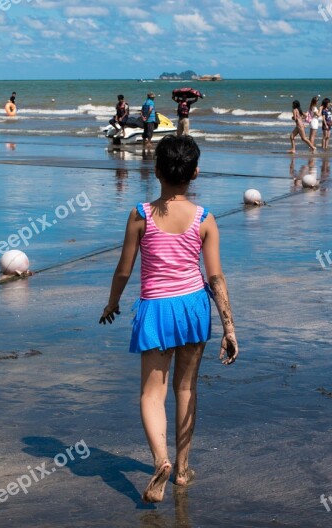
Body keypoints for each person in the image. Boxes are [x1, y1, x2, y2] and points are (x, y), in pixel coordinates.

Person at [99, 135, 239, 504]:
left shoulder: (140, 214)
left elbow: (124, 270)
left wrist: (112, 303)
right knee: (187, 388)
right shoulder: (205, 219)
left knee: (151, 393)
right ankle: (181, 468)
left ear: (156, 170)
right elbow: (216, 277)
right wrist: (229, 326)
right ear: (194, 173)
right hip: (194, 308)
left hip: (155, 311)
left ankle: (159, 459)